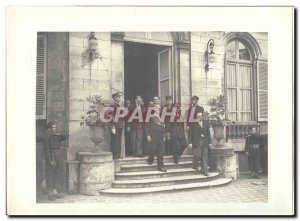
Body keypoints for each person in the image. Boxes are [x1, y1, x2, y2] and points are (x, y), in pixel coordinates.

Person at [43, 122, 68, 200]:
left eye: (55, 127)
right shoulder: (46, 138)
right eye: (53, 128)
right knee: (50, 174)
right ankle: (50, 194)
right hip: (51, 157)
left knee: (57, 173)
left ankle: (55, 191)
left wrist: (59, 134)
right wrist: (51, 161)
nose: (55, 129)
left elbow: (66, 136)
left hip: (57, 157)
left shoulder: (56, 136)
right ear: (49, 129)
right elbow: (47, 151)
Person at [145, 96, 167, 172]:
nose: (156, 101)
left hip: (160, 132)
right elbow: (147, 123)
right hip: (153, 132)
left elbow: (163, 123)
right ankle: (150, 159)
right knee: (152, 148)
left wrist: (164, 134)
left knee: (160, 150)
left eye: (157, 99)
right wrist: (147, 134)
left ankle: (161, 166)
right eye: (154, 100)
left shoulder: (162, 110)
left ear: (159, 100)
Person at [110, 92, 124, 160]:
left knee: (118, 140)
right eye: (118, 97)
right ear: (115, 98)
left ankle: (118, 155)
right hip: (115, 125)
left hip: (120, 125)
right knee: (115, 140)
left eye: (119, 97)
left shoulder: (119, 105)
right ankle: (115, 155)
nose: (119, 98)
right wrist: (112, 126)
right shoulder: (112, 105)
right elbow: (111, 116)